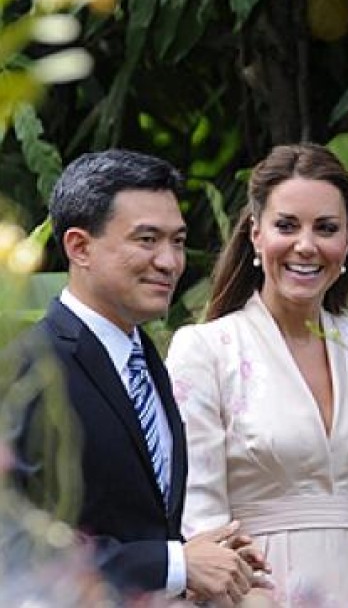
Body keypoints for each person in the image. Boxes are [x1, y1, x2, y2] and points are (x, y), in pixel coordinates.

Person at [166, 143, 348, 607]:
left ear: (346, 242)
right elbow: (201, 531)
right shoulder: (205, 350)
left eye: (326, 228)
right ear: (256, 234)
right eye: (287, 225)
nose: (306, 245)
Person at [8, 150, 262, 602]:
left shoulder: (146, 360)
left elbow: (135, 522)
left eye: (178, 241)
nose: (169, 262)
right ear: (79, 247)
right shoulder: (31, 364)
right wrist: (176, 564)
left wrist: (206, 558)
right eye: (147, 240)